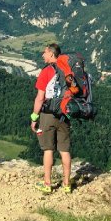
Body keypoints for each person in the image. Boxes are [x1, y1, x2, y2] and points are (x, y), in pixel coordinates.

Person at [30, 43, 72, 194]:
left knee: (48, 149)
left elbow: (40, 98)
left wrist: (34, 117)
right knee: (64, 150)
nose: (43, 55)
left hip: (48, 115)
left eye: (45, 53)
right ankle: (67, 184)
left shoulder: (47, 71)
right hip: (65, 114)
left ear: (52, 54)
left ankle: (47, 184)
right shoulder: (68, 70)